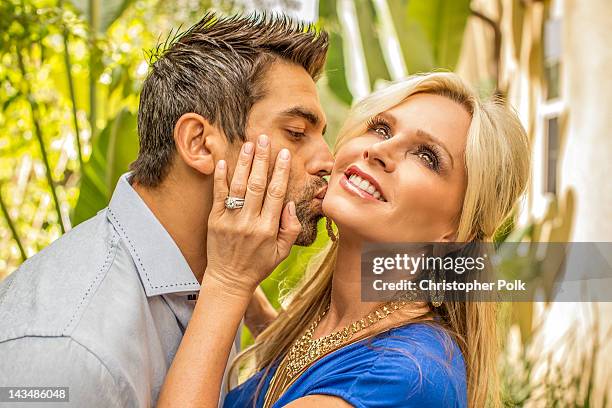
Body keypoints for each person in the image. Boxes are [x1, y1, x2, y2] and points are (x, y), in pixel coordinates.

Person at [0, 13, 332, 406]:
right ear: (199, 143)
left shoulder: (214, 272)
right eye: (296, 133)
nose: (327, 160)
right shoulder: (70, 351)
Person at [157, 72, 531, 407]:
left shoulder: (405, 378)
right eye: (382, 128)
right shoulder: (335, 321)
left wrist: (228, 281)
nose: (379, 150)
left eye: (427, 156)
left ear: (455, 233)